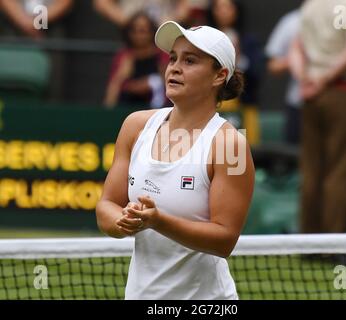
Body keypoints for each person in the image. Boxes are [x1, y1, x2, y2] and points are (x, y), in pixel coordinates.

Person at [96, 21, 255, 299]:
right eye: (173, 58)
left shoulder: (231, 144)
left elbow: (224, 240)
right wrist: (124, 220)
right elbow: (106, 205)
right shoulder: (134, 125)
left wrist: (158, 222)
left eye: (190, 60)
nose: (175, 68)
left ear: (219, 75)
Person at [289, 0, 346, 233]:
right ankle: (334, 244)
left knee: (312, 170)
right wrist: (324, 79)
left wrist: (305, 81)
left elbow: (296, 48)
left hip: (312, 97)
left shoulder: (312, 5)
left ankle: (310, 244)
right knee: (343, 170)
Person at [104, 12, 168, 109]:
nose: (139, 35)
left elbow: (170, 84)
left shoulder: (162, 55)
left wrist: (154, 82)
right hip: (126, 108)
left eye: (143, 31)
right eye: (134, 31)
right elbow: (113, 91)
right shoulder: (123, 56)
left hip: (156, 111)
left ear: (152, 32)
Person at [265, 9, 302, 145]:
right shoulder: (292, 21)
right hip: (299, 103)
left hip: (333, 103)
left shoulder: (340, 20)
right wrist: (296, 57)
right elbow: (273, 65)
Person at [0, 0, 73, 39]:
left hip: (52, 28)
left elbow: (64, 2)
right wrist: (24, 21)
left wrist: (36, 22)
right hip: (13, 26)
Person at [93, 0, 191, 28]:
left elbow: (185, 6)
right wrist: (126, 21)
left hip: (164, 36)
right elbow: (102, 3)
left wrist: (170, 23)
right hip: (130, 39)